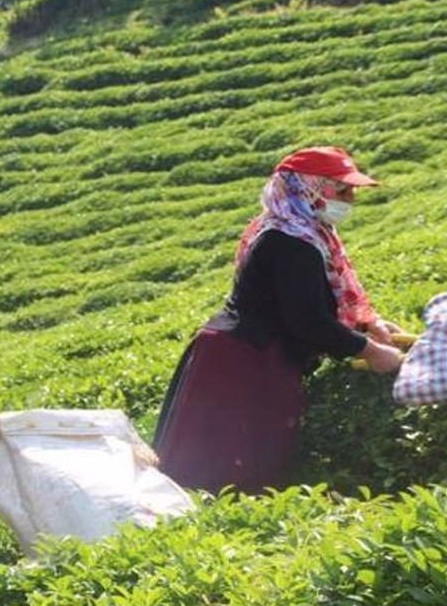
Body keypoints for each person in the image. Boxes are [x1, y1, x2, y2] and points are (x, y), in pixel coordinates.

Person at [153, 146, 405, 494]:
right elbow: (307, 322)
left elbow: (308, 303)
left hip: (253, 353)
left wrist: (366, 326)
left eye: (352, 190)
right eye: (341, 189)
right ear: (308, 188)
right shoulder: (290, 242)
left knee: (241, 465)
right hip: (241, 362)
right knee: (220, 470)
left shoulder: (304, 232)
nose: (350, 199)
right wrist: (370, 351)